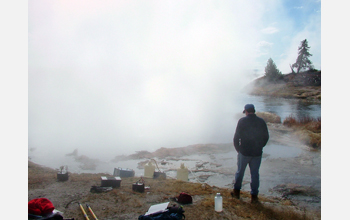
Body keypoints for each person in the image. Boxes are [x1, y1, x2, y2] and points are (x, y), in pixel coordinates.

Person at [231, 104, 269, 203]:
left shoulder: (242, 121)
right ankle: (254, 197)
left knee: (240, 172)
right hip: (257, 153)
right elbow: (266, 137)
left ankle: (236, 193)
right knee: (255, 174)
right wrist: (260, 146)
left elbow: (236, 138)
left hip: (244, 152)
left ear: (246, 112)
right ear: (254, 111)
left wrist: (238, 150)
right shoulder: (261, 121)